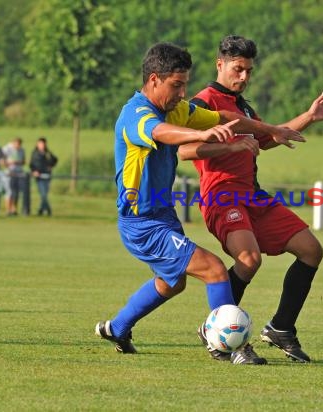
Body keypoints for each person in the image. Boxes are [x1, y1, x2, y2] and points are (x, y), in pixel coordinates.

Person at [95, 42, 304, 361]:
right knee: (215, 269)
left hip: (163, 217)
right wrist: (199, 135)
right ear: (154, 80)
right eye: (176, 85)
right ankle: (231, 348)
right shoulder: (136, 114)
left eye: (185, 85)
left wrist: (271, 129)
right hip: (142, 223)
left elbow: (225, 117)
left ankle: (118, 327)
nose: (182, 93)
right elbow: (162, 132)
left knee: (171, 283)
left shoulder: (175, 108)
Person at [181, 35, 323, 364]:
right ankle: (218, 334)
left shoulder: (244, 106)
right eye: (238, 69)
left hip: (254, 196)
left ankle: (281, 328)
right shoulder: (202, 103)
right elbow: (184, 149)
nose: (243, 77)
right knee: (249, 260)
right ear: (220, 64)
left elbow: (268, 138)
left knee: (311, 250)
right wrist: (231, 146)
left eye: (249, 71)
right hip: (222, 196)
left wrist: (308, 116)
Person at [29, 137, 58, 216]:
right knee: (43, 194)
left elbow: (55, 160)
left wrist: (51, 166)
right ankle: (48, 210)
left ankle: (41, 210)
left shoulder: (47, 153)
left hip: (47, 175)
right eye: (40, 144)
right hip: (39, 176)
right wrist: (34, 171)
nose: (41, 145)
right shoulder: (34, 153)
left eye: (43, 144)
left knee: (44, 193)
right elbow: (31, 164)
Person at [2, 137, 26, 216]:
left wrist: (18, 162)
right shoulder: (7, 148)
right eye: (16, 144)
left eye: (19, 145)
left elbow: (23, 161)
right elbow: (2, 161)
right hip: (9, 173)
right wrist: (9, 163)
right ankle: (8, 210)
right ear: (13, 143)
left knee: (16, 192)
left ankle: (14, 209)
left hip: (18, 173)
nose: (17, 147)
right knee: (9, 192)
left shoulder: (21, 150)